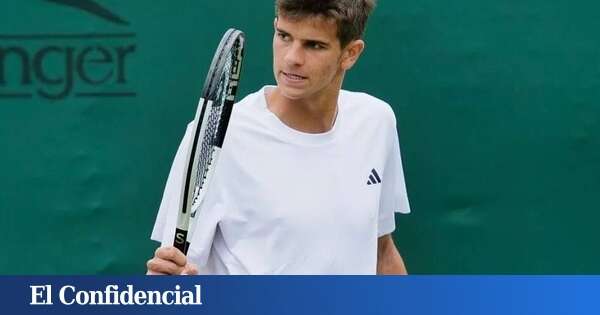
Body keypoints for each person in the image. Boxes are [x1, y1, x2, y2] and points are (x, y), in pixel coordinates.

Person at [147, 0, 410, 275]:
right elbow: (173, 276)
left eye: (314, 45)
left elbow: (381, 251)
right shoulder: (215, 137)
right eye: (284, 36)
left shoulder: (376, 122)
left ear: (350, 53)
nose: (291, 58)